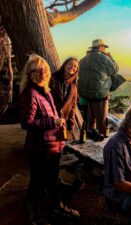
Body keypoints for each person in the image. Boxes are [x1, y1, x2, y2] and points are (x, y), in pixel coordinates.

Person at [19, 54, 79, 224]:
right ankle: (34, 215)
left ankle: (57, 208)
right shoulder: (30, 93)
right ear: (29, 74)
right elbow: (27, 122)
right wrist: (53, 121)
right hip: (39, 147)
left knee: (52, 180)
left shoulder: (45, 91)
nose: (42, 72)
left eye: (44, 69)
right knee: (37, 182)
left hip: (53, 145)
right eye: (36, 70)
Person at [78, 39, 119, 141]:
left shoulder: (83, 59)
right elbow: (115, 69)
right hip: (100, 95)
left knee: (91, 120)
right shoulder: (104, 58)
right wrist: (110, 57)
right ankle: (103, 142)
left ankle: (90, 138)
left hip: (87, 94)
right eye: (104, 47)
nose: (104, 49)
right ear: (100, 47)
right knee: (102, 122)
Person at [50, 57, 79, 140]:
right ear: (65, 65)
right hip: (51, 119)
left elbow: (73, 107)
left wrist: (71, 125)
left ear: (76, 70)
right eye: (70, 64)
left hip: (63, 122)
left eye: (75, 66)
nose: (72, 67)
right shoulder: (53, 78)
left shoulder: (73, 87)